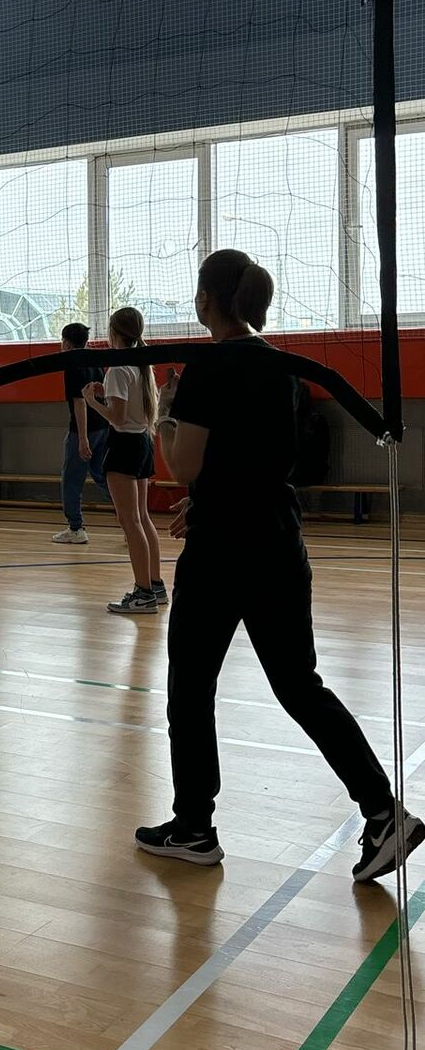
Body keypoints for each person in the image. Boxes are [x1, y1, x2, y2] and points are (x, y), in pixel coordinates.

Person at [138, 248, 423, 883]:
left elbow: (184, 465)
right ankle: (384, 812)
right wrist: (209, 501)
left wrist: (165, 414)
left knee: (191, 689)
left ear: (206, 300)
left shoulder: (207, 367)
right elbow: (261, 463)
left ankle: (194, 827)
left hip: (222, 555)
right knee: (299, 685)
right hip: (276, 540)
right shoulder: (284, 367)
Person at [83, 307, 165, 614]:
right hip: (142, 441)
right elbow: (128, 408)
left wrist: (92, 401)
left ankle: (143, 593)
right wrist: (107, 394)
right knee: (141, 517)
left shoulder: (118, 368)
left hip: (125, 444)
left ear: (114, 332)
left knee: (129, 521)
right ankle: (155, 585)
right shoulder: (141, 364)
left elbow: (117, 417)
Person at [54, 322, 109, 545]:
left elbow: (80, 402)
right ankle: (130, 520)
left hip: (84, 430)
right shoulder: (95, 360)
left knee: (71, 479)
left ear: (67, 343)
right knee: (103, 477)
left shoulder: (73, 364)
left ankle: (75, 528)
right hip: (104, 426)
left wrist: (83, 438)